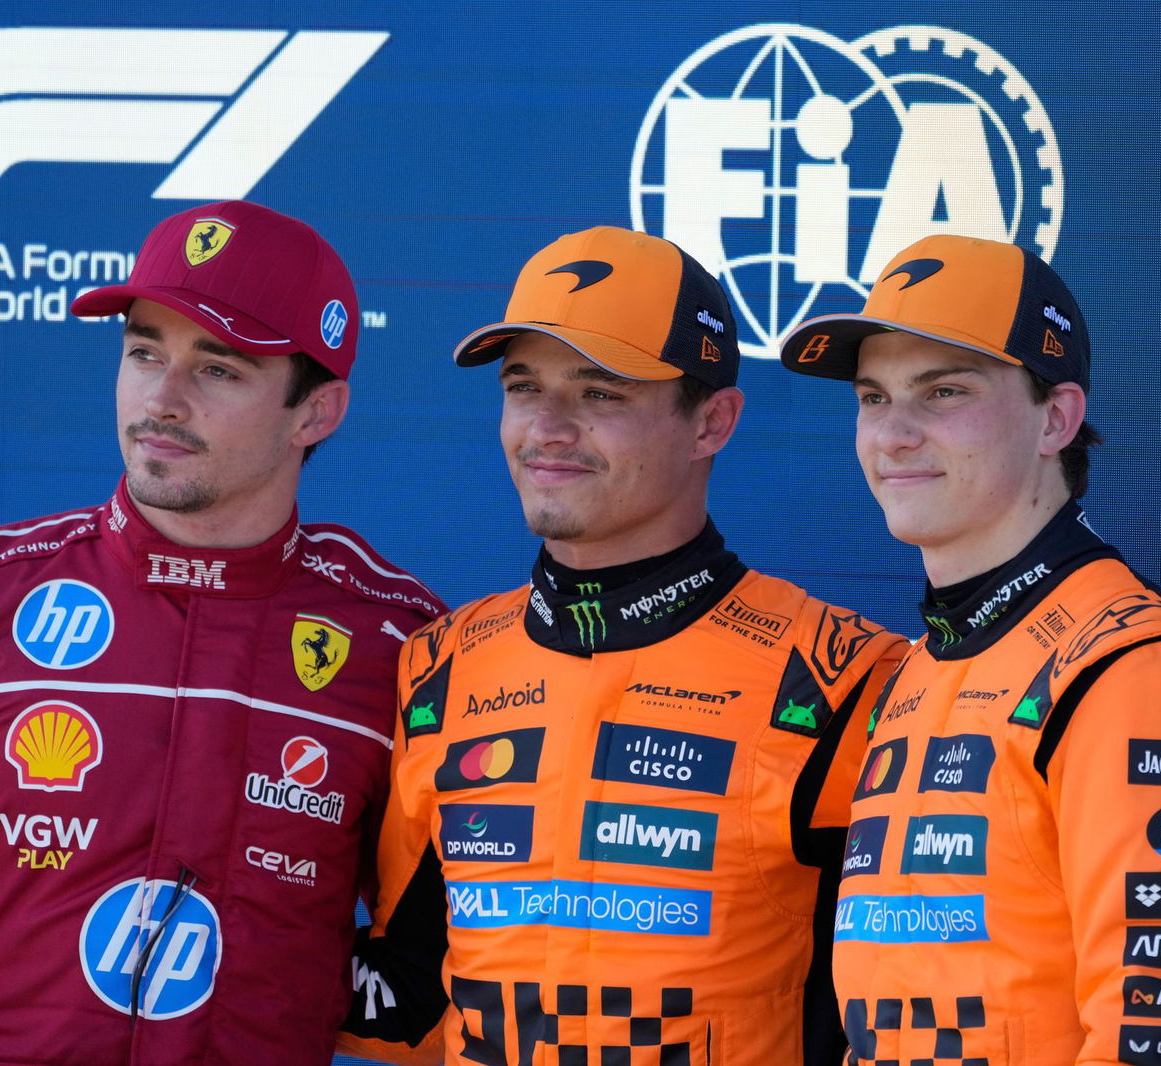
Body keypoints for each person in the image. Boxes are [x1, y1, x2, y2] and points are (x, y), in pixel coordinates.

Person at [0, 200, 443, 1065]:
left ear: (316, 413)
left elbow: (443, 959)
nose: (161, 400)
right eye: (142, 353)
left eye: (219, 370)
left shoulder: (404, 643)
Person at [340, 226, 907, 1065]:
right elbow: (412, 986)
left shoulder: (844, 676)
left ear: (712, 421)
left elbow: (918, 999)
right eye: (523, 386)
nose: (548, 427)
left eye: (600, 392)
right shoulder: (440, 665)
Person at [779, 234, 1161, 1066]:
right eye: (873, 398)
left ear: (1057, 418)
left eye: (942, 392)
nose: (892, 434)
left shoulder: (1136, 671)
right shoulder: (920, 667)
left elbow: (1155, 1044)